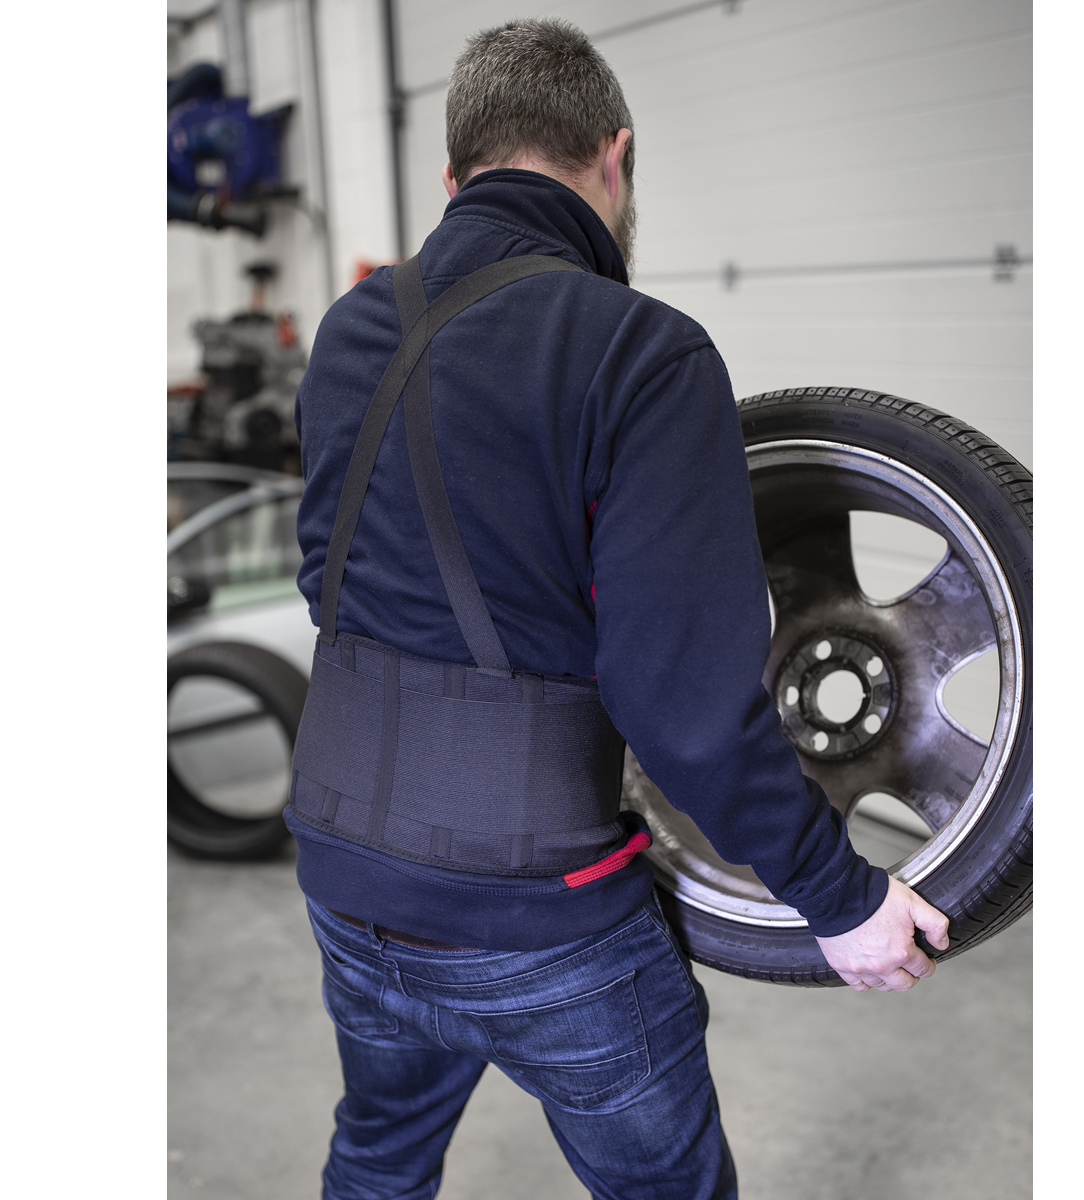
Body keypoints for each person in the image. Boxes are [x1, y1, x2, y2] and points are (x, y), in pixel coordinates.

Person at [288, 18, 950, 1200]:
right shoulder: (642, 350)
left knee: (379, 1159)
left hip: (346, 876)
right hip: (540, 924)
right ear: (616, 155)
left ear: (454, 177)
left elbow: (325, 582)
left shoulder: (351, 330)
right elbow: (682, 702)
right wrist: (840, 901)